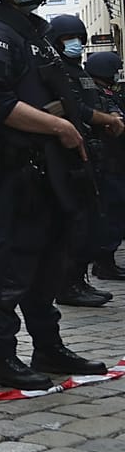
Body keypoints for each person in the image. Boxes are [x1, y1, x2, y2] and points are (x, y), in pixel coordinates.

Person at [0, 0, 109, 390]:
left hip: (53, 171)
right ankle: (1, 356)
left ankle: (48, 346)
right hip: (21, 169)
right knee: (11, 267)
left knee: (50, 265)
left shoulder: (37, 35)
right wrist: (59, 127)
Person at [45, 15, 124, 307]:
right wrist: (106, 120)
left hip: (93, 154)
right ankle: (68, 285)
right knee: (76, 224)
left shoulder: (79, 73)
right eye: (69, 39)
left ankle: (78, 280)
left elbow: (91, 105)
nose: (76, 43)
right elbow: (72, 108)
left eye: (79, 37)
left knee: (90, 222)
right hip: (72, 156)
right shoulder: (57, 71)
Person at [86, 51, 125, 283]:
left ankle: (104, 260)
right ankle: (104, 262)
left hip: (112, 161)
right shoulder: (94, 92)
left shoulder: (106, 92)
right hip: (107, 163)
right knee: (112, 212)